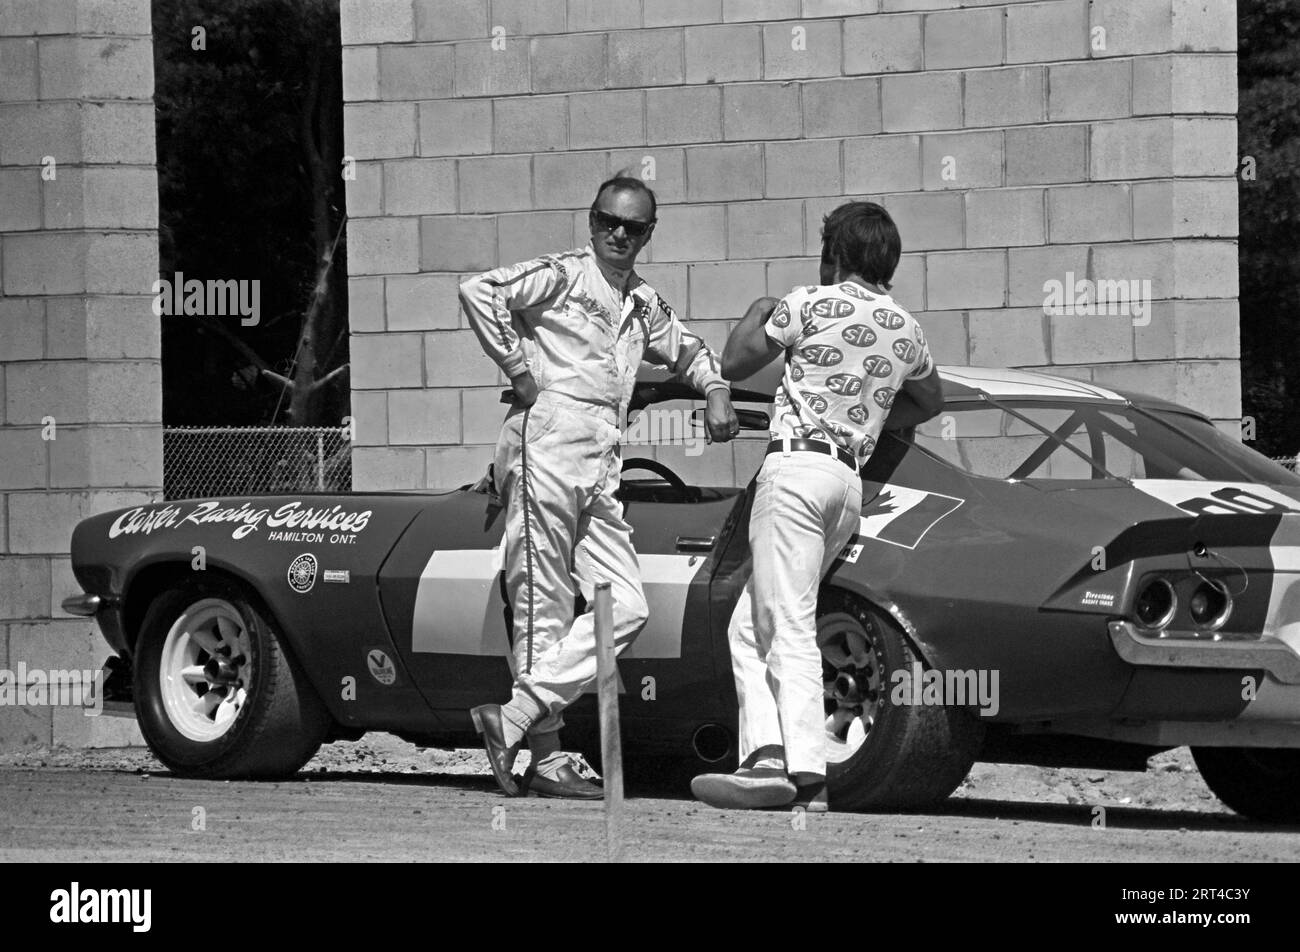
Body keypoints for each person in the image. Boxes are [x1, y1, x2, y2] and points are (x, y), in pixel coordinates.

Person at [458, 175, 739, 799]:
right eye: (609, 221)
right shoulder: (561, 274)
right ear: (591, 222)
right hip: (548, 442)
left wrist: (715, 388)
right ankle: (549, 758)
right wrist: (517, 370)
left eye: (633, 227)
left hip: (602, 462)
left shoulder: (643, 301)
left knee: (627, 606)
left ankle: (514, 716)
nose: (619, 233)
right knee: (543, 602)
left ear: (647, 235)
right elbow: (479, 291)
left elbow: (688, 348)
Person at [691, 201, 944, 812]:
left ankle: (806, 775)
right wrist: (876, 414)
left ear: (838, 254)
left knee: (789, 623)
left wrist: (757, 311)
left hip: (796, 470)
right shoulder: (907, 327)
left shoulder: (808, 302)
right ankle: (765, 758)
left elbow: (735, 361)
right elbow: (930, 400)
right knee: (751, 625)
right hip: (846, 483)